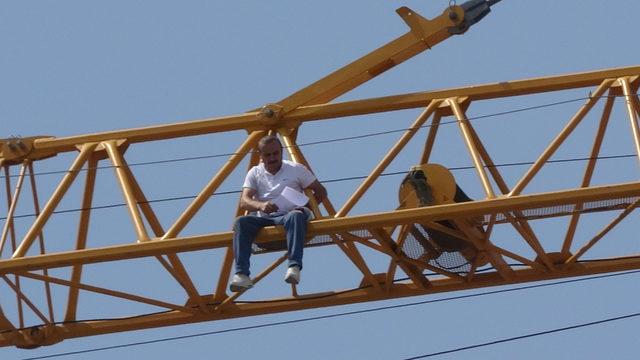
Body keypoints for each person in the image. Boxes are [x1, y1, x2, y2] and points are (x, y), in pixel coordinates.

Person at [229, 135, 327, 292]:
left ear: (281, 152)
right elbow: (244, 201)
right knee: (241, 222)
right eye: (267, 155)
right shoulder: (255, 173)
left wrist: (303, 206)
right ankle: (242, 274)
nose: (272, 158)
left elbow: (321, 192)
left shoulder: (296, 169)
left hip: (289, 216)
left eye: (275, 154)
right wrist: (261, 205)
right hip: (265, 219)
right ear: (260, 156)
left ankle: (294, 266)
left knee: (295, 216)